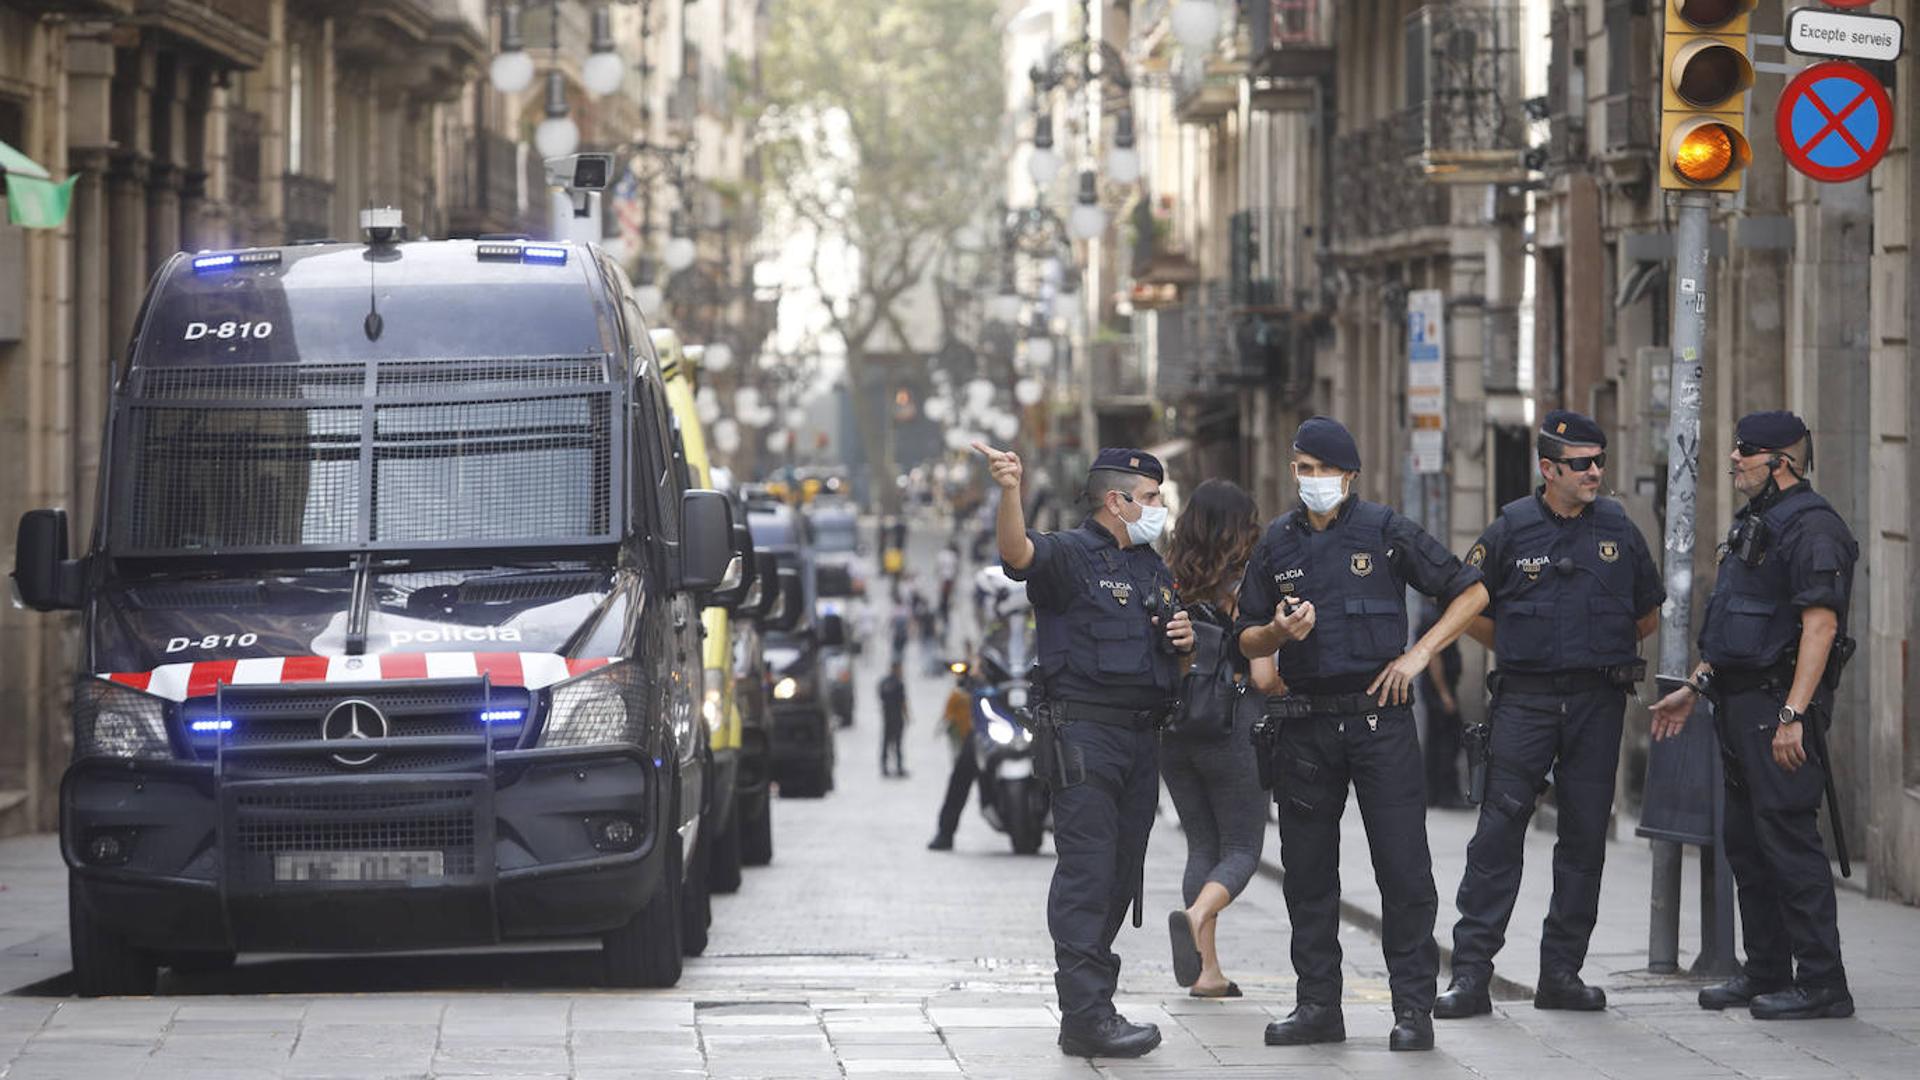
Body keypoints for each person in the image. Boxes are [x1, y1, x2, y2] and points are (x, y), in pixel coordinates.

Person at [1236, 416, 1488, 1053]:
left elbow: (1472, 590)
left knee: (1403, 867)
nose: (1312, 480)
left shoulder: (1385, 531)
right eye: (1302, 468)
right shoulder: (1277, 543)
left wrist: (1420, 654)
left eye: (1323, 469)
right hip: (1307, 724)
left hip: (1381, 720)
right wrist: (1278, 637)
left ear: (1349, 475)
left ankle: (1413, 1009)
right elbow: (1247, 636)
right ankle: (1318, 1004)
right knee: (1307, 871)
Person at [1434, 410, 1665, 1020]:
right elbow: (1469, 604)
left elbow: (1647, 612)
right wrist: (1521, 649)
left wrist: (1594, 648)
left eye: (1599, 460)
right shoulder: (1512, 528)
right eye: (1581, 464)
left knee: (1585, 837)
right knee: (1497, 835)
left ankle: (1561, 973)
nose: (1595, 472)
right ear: (1547, 469)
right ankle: (1470, 976)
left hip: (1597, 702)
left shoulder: (1618, 527)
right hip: (1527, 702)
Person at [975, 440, 1193, 1060]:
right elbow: (1016, 553)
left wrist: (1184, 643)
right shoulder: (1069, 556)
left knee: (1122, 875)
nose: (1157, 507)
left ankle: (1093, 1004)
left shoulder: (1152, 565)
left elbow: (1175, 652)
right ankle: (1087, 1013)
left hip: (1140, 737)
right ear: (1116, 500)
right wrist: (1011, 489)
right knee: (1089, 874)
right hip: (1083, 737)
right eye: (1149, 498)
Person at [1649, 410, 1858, 1021]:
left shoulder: (1815, 530)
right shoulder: (1757, 521)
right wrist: (1695, 684)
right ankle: (1766, 969)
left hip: (1776, 709)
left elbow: (1820, 626)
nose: (1734, 460)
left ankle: (1823, 983)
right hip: (1738, 704)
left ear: (1783, 462)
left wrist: (1793, 713)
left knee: (1790, 842)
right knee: (1747, 844)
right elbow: (1740, 624)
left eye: (1746, 452)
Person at [1160, 479, 1279, 999]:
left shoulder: (1167, 580)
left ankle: (1207, 973)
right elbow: (1263, 678)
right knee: (1241, 849)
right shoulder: (1248, 586)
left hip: (1174, 731)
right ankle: (1197, 914)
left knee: (1201, 845)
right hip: (1232, 729)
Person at [1415, 600, 1467, 809]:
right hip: (1438, 691)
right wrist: (1445, 694)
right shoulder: (1432, 616)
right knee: (1447, 741)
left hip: (1439, 690)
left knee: (1440, 740)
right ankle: (1445, 793)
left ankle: (1436, 793)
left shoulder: (1433, 613)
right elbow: (1434, 657)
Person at [929, 649, 982, 851]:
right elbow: (977, 663)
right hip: (991, 724)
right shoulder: (995, 637)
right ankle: (946, 831)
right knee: (964, 766)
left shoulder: (1033, 642)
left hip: (1027, 719)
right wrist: (974, 672)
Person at [878, 661, 909, 778]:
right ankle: (899, 768)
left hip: (887, 716)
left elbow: (880, 696)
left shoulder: (884, 682)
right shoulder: (899, 683)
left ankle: (884, 768)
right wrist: (907, 716)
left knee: (886, 743)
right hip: (896, 717)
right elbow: (903, 701)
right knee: (897, 744)